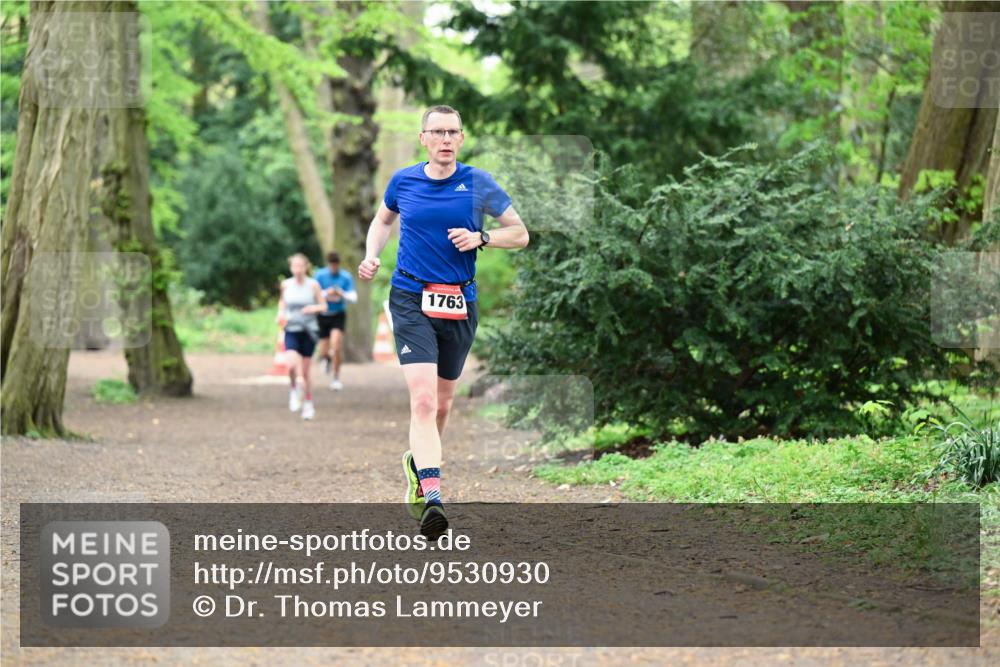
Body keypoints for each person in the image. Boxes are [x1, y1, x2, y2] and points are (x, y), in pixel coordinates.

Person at [358, 105, 529, 538]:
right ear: (424, 139)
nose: (446, 139)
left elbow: (521, 234)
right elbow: (382, 222)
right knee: (422, 401)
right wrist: (372, 254)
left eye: (453, 131)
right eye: (437, 132)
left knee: (444, 403)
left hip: (459, 301)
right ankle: (432, 496)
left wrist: (482, 236)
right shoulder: (404, 180)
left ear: (462, 137)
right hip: (410, 297)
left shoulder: (478, 183)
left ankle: (418, 464)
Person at [277, 253, 326, 421]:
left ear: (306, 267)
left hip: (309, 330)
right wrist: (280, 313)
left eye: (300, 266)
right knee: (291, 365)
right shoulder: (286, 285)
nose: (297, 269)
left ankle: (308, 404)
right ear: (291, 268)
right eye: (294, 266)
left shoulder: (313, 285)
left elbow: (323, 305)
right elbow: (282, 302)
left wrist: (313, 308)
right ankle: (293, 389)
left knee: (305, 372)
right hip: (291, 328)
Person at [314, 251, 357, 391]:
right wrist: (328, 292)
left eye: (336, 265)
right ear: (328, 265)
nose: (334, 268)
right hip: (323, 314)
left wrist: (341, 293)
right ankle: (326, 359)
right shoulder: (320, 275)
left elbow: (353, 297)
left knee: (336, 346)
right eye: (332, 265)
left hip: (338, 314)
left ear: (338, 265)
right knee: (324, 350)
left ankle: (336, 377)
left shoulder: (345, 277)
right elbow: (313, 293)